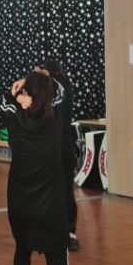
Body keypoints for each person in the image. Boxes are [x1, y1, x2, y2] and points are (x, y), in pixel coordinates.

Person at [0, 71, 79, 265]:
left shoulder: (15, 119)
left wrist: (16, 91)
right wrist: (39, 82)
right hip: (51, 210)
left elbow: (4, 102)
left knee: (22, 249)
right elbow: (61, 91)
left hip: (19, 205)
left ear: (26, 96)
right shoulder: (54, 120)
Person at [40, 57, 80, 251]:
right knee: (66, 192)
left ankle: (55, 233)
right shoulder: (66, 85)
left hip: (53, 148)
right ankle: (69, 233)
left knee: (51, 193)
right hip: (66, 147)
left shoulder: (54, 87)